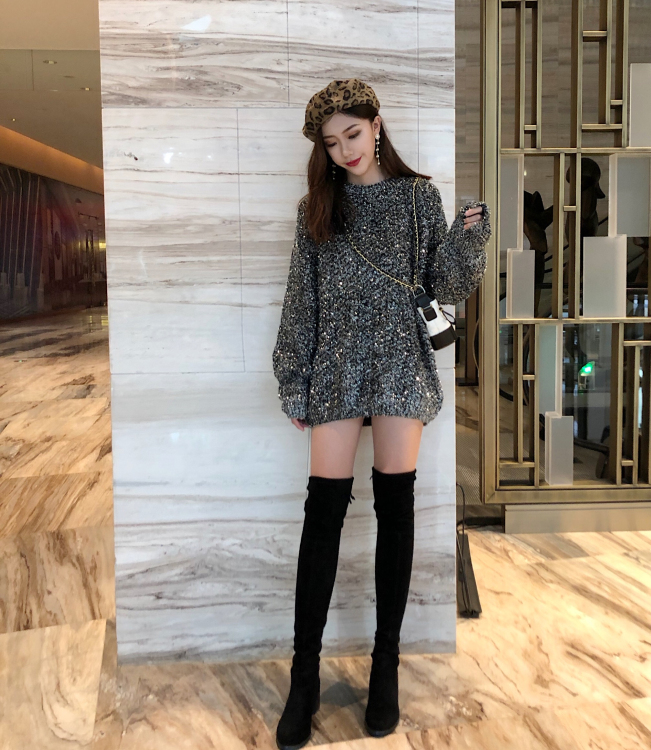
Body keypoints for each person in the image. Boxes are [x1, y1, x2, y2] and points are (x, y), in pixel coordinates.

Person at [272, 78, 492, 750]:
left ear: (376, 124)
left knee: (396, 510)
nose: (344, 150)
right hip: (337, 365)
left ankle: (385, 665)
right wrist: (295, 377)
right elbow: (302, 298)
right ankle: (304, 677)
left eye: (353, 134)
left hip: (400, 362)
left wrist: (468, 238)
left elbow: (446, 287)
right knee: (324, 514)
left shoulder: (418, 197)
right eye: (331, 142)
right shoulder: (318, 208)